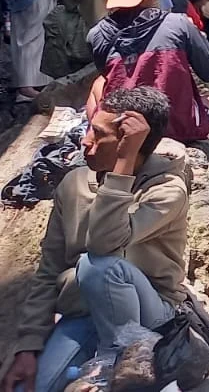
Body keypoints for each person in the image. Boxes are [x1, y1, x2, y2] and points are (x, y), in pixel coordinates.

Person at [6, 87, 190, 392]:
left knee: (99, 265)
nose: (85, 140)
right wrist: (28, 346)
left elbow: (104, 245)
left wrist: (123, 164)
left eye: (99, 134)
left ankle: (118, 358)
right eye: (91, 127)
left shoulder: (166, 190)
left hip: (148, 313)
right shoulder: (74, 183)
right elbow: (49, 269)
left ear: (129, 146)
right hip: (85, 308)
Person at [87, 0, 209, 138]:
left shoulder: (96, 34)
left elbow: (109, 75)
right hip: (175, 127)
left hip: (123, 126)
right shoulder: (179, 23)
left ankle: (99, 131)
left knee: (99, 83)